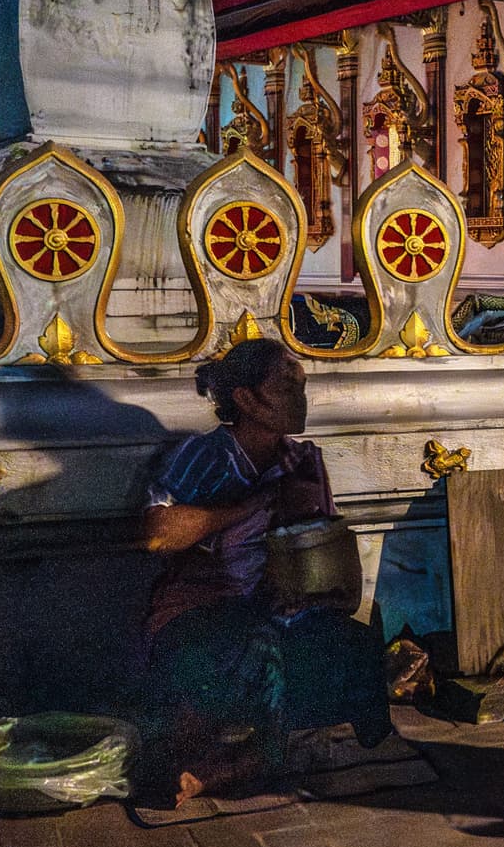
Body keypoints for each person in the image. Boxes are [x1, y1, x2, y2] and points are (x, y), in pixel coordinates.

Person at [139, 338, 391, 806]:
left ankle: (226, 767)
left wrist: (325, 592)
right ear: (246, 398)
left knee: (353, 641)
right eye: (286, 385)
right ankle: (226, 762)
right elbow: (158, 533)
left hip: (275, 607)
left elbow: (321, 544)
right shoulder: (205, 456)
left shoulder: (300, 460)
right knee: (254, 649)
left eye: (302, 386)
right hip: (200, 610)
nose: (301, 397)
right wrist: (248, 508)